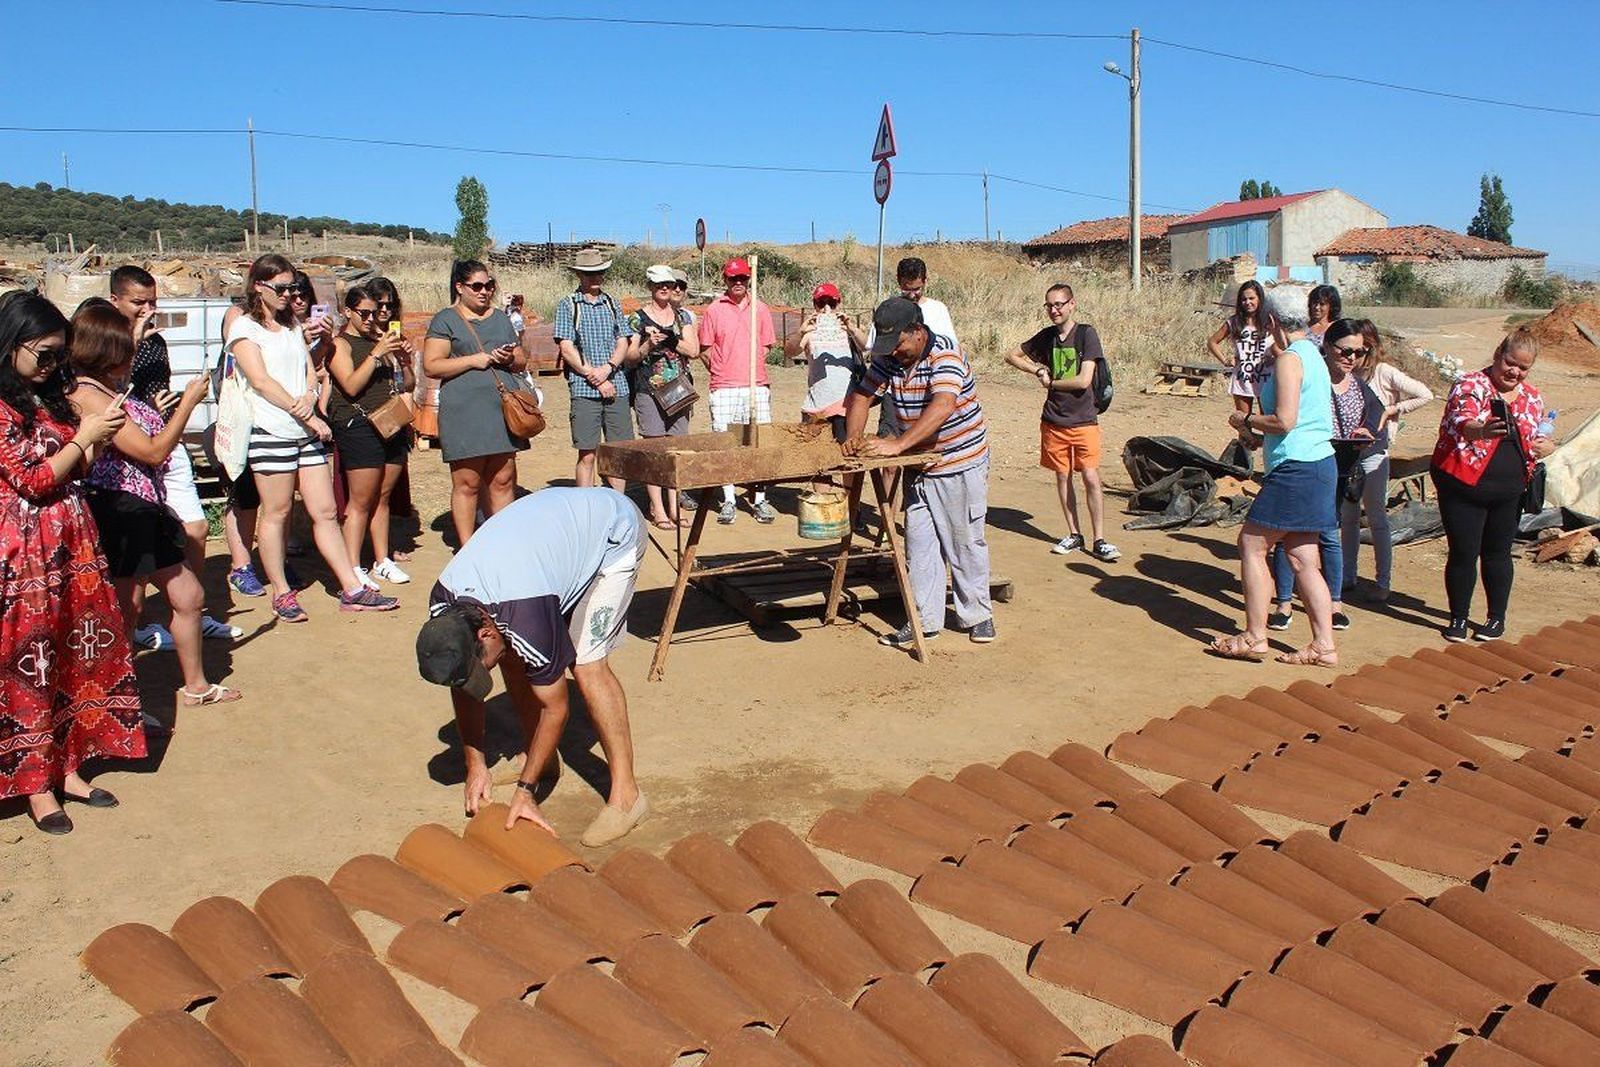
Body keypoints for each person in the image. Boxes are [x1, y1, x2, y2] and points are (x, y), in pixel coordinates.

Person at [416, 487, 649, 847]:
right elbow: (462, 684)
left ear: (484, 631)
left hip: (611, 535)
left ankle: (628, 796)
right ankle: (541, 759)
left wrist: (525, 792)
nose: (482, 676)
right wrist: (474, 764)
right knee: (510, 655)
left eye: (480, 666)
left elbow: (556, 707)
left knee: (587, 664)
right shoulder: (443, 604)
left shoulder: (524, 614)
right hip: (547, 541)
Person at [0, 294, 146, 834]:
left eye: (58, 356)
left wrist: (96, 438)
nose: (52, 366)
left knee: (72, 654)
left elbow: (73, 467)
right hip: (25, 553)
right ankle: (35, 784)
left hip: (73, 545)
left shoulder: (48, 398)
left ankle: (66, 765)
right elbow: (34, 480)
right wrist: (85, 436)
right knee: (30, 661)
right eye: (43, 354)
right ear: (9, 344)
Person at [68, 303, 243, 710]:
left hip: (144, 507)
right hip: (118, 510)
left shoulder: (108, 386)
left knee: (188, 595)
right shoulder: (86, 393)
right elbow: (151, 450)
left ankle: (195, 686)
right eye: (124, 341)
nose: (132, 348)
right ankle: (120, 701)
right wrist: (187, 407)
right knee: (127, 611)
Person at [228, 254, 398, 620]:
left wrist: (308, 400)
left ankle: (351, 586)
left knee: (323, 511)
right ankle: (282, 592)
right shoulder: (244, 328)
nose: (290, 294)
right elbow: (259, 379)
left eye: (293, 287)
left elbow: (308, 367)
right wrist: (299, 408)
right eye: (282, 288)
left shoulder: (290, 325)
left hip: (304, 428)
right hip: (270, 429)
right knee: (277, 512)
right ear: (259, 286)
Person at [843, 297, 995, 647]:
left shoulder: (946, 354)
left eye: (898, 344)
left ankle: (978, 615)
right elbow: (863, 395)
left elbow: (942, 406)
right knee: (919, 544)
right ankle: (923, 619)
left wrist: (897, 446)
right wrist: (852, 440)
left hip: (959, 460)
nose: (894, 352)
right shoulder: (890, 358)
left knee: (963, 541)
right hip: (919, 463)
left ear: (918, 332)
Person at [108, 266, 241, 646]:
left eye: (153, 302)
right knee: (137, 546)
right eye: (138, 302)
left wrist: (163, 404)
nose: (148, 310)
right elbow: (108, 385)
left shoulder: (158, 342)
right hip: (127, 450)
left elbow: (153, 388)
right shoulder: (105, 338)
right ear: (115, 299)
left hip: (167, 435)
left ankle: (187, 615)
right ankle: (136, 624)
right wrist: (131, 339)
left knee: (196, 528)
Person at [1211, 313, 1339, 667]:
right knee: (1303, 557)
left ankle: (1254, 636)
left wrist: (1245, 420)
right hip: (1318, 464)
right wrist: (1258, 436)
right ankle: (1323, 646)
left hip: (1296, 467)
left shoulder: (1290, 359)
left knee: (1251, 544)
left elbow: (1285, 420)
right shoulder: (1313, 354)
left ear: (1271, 319)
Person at [1429, 328, 1551, 642]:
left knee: (1498, 554)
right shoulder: (1471, 385)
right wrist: (1480, 430)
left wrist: (1545, 446)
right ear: (1498, 355)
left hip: (1510, 491)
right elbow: (1461, 421)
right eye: (1511, 363)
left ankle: (1496, 618)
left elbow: (1538, 434)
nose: (1515, 372)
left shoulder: (1532, 396)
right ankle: (1458, 618)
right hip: (1464, 485)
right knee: (1463, 553)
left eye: (1523, 368)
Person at [1268, 319, 1384, 632]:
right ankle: (1283, 602)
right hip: (1309, 459)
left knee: (1329, 535)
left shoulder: (1359, 387)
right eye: (1346, 350)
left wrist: (1368, 430)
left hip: (1341, 465)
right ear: (1327, 347)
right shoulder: (1311, 372)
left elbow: (1377, 410)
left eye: (1359, 353)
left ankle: (1334, 603)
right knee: (1286, 533)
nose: (1351, 358)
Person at [1005, 282, 1120, 562]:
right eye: (1049, 305)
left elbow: (1084, 379)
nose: (1054, 310)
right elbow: (1011, 356)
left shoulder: (1086, 335)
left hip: (1083, 420)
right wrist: (1037, 370)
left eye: (1059, 304)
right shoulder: (1047, 337)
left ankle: (1100, 539)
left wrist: (1051, 382)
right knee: (1062, 476)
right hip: (1054, 419)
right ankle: (1074, 534)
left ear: (1072, 304)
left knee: (1091, 477)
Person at [423, 260, 530, 549]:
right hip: (464, 413)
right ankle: (468, 547)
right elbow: (431, 365)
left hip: (502, 410)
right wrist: (474, 360)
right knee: (467, 483)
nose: (485, 292)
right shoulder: (445, 319)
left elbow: (521, 359)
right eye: (478, 286)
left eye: (489, 286)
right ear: (460, 287)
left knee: (503, 479)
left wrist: (509, 357)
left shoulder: (500, 318)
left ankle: (502, 544)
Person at [1342, 320, 1434, 602]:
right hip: (1348, 455)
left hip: (1374, 454)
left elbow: (1425, 394)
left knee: (1377, 517)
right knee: (1348, 517)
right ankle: (1348, 575)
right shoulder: (1344, 373)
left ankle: (1383, 581)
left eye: (1358, 350)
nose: (1352, 356)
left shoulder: (1384, 372)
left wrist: (1392, 410)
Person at [328, 285, 414, 586]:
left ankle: (382, 560)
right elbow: (351, 386)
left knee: (383, 498)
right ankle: (352, 566)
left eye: (374, 312)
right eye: (363, 313)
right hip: (358, 425)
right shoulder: (340, 344)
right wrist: (377, 355)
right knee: (360, 501)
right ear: (348, 312)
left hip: (390, 423)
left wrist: (403, 360)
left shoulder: (381, 339)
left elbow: (408, 384)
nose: (370, 318)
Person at [699, 257, 777, 525]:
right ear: (725, 280)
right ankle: (729, 498)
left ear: (749, 280)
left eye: (743, 278)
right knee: (725, 444)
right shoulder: (713, 310)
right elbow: (705, 349)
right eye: (733, 279)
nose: (738, 283)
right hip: (723, 388)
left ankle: (759, 499)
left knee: (758, 443)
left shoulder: (761, 310)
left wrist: (751, 366)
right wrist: (722, 368)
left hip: (756, 385)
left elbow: (767, 346)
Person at [554, 247, 634, 491]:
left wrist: (608, 368)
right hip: (584, 388)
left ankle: (618, 505)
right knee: (587, 453)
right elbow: (567, 348)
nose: (596, 278)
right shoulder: (568, 305)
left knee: (618, 452)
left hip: (616, 384)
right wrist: (596, 377)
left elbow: (623, 340)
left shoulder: (612, 303)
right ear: (579, 275)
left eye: (599, 273)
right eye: (590, 274)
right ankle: (586, 508)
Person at [629, 265, 700, 528]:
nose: (665, 288)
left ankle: (675, 505)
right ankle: (657, 508)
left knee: (677, 449)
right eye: (660, 284)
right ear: (650, 285)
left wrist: (670, 342)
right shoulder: (636, 319)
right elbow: (630, 356)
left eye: (669, 284)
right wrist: (649, 345)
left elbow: (692, 350)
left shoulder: (683, 318)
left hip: (678, 390)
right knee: (655, 449)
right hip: (649, 389)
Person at [366, 275, 417, 534]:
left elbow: (409, 384)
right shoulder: (359, 339)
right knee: (364, 495)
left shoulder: (398, 337)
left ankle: (382, 551)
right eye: (379, 304)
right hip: (366, 421)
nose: (384, 310)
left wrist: (405, 360)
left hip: (394, 419)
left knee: (386, 492)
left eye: (390, 304)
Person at [788, 282, 863, 443]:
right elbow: (790, 352)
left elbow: (867, 346)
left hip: (845, 406)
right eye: (821, 303)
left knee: (844, 456)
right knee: (812, 457)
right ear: (815, 305)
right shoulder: (809, 331)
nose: (826, 308)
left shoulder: (848, 330)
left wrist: (852, 329)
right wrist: (801, 332)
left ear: (839, 304)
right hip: (816, 405)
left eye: (832, 303)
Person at [1208, 280, 1287, 428]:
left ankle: (1267, 451)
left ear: (1259, 299)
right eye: (1244, 299)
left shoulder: (1269, 321)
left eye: (1251, 298)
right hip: (1243, 378)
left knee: (1268, 424)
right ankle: (1244, 451)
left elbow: (1284, 343)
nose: (1247, 302)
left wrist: (1275, 355)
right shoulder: (1234, 322)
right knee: (1243, 425)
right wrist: (1225, 360)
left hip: (1266, 378)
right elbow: (1212, 342)